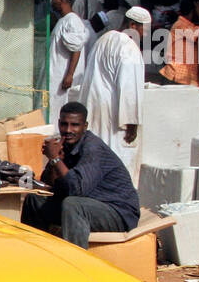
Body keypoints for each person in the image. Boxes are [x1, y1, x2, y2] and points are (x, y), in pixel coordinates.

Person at [20, 101, 140, 248]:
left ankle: (75, 264)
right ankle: (36, 254)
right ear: (58, 123)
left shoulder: (93, 148)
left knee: (72, 204)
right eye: (64, 124)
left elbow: (76, 189)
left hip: (118, 212)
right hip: (90, 206)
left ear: (85, 126)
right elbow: (49, 183)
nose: (68, 130)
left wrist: (55, 159)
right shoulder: (66, 144)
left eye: (75, 125)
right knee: (34, 201)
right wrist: (54, 163)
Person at [79, 5, 147, 179]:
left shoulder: (103, 39)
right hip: (113, 111)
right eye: (144, 30)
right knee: (116, 156)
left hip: (93, 106)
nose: (145, 35)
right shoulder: (129, 46)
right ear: (133, 26)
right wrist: (131, 122)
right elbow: (129, 87)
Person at [48, 0, 93, 118]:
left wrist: (70, 75)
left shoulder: (72, 20)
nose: (53, 3)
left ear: (62, 1)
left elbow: (76, 48)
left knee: (61, 107)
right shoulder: (62, 20)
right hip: (56, 74)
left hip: (63, 76)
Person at [160, 0, 199, 86]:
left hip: (184, 77)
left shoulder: (188, 26)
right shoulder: (181, 25)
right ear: (193, 11)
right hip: (177, 76)